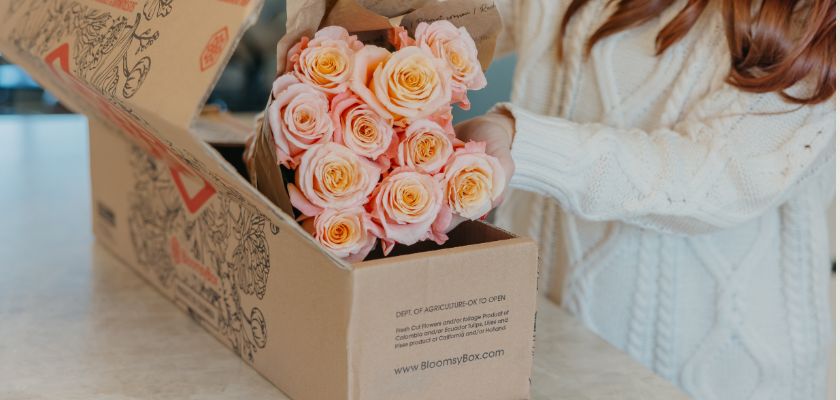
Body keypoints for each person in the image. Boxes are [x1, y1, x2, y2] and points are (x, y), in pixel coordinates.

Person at [277, 1, 835, 398]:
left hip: (713, 372)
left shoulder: (812, 16)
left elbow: (720, 178)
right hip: (547, 334)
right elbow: (469, 12)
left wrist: (523, 140)